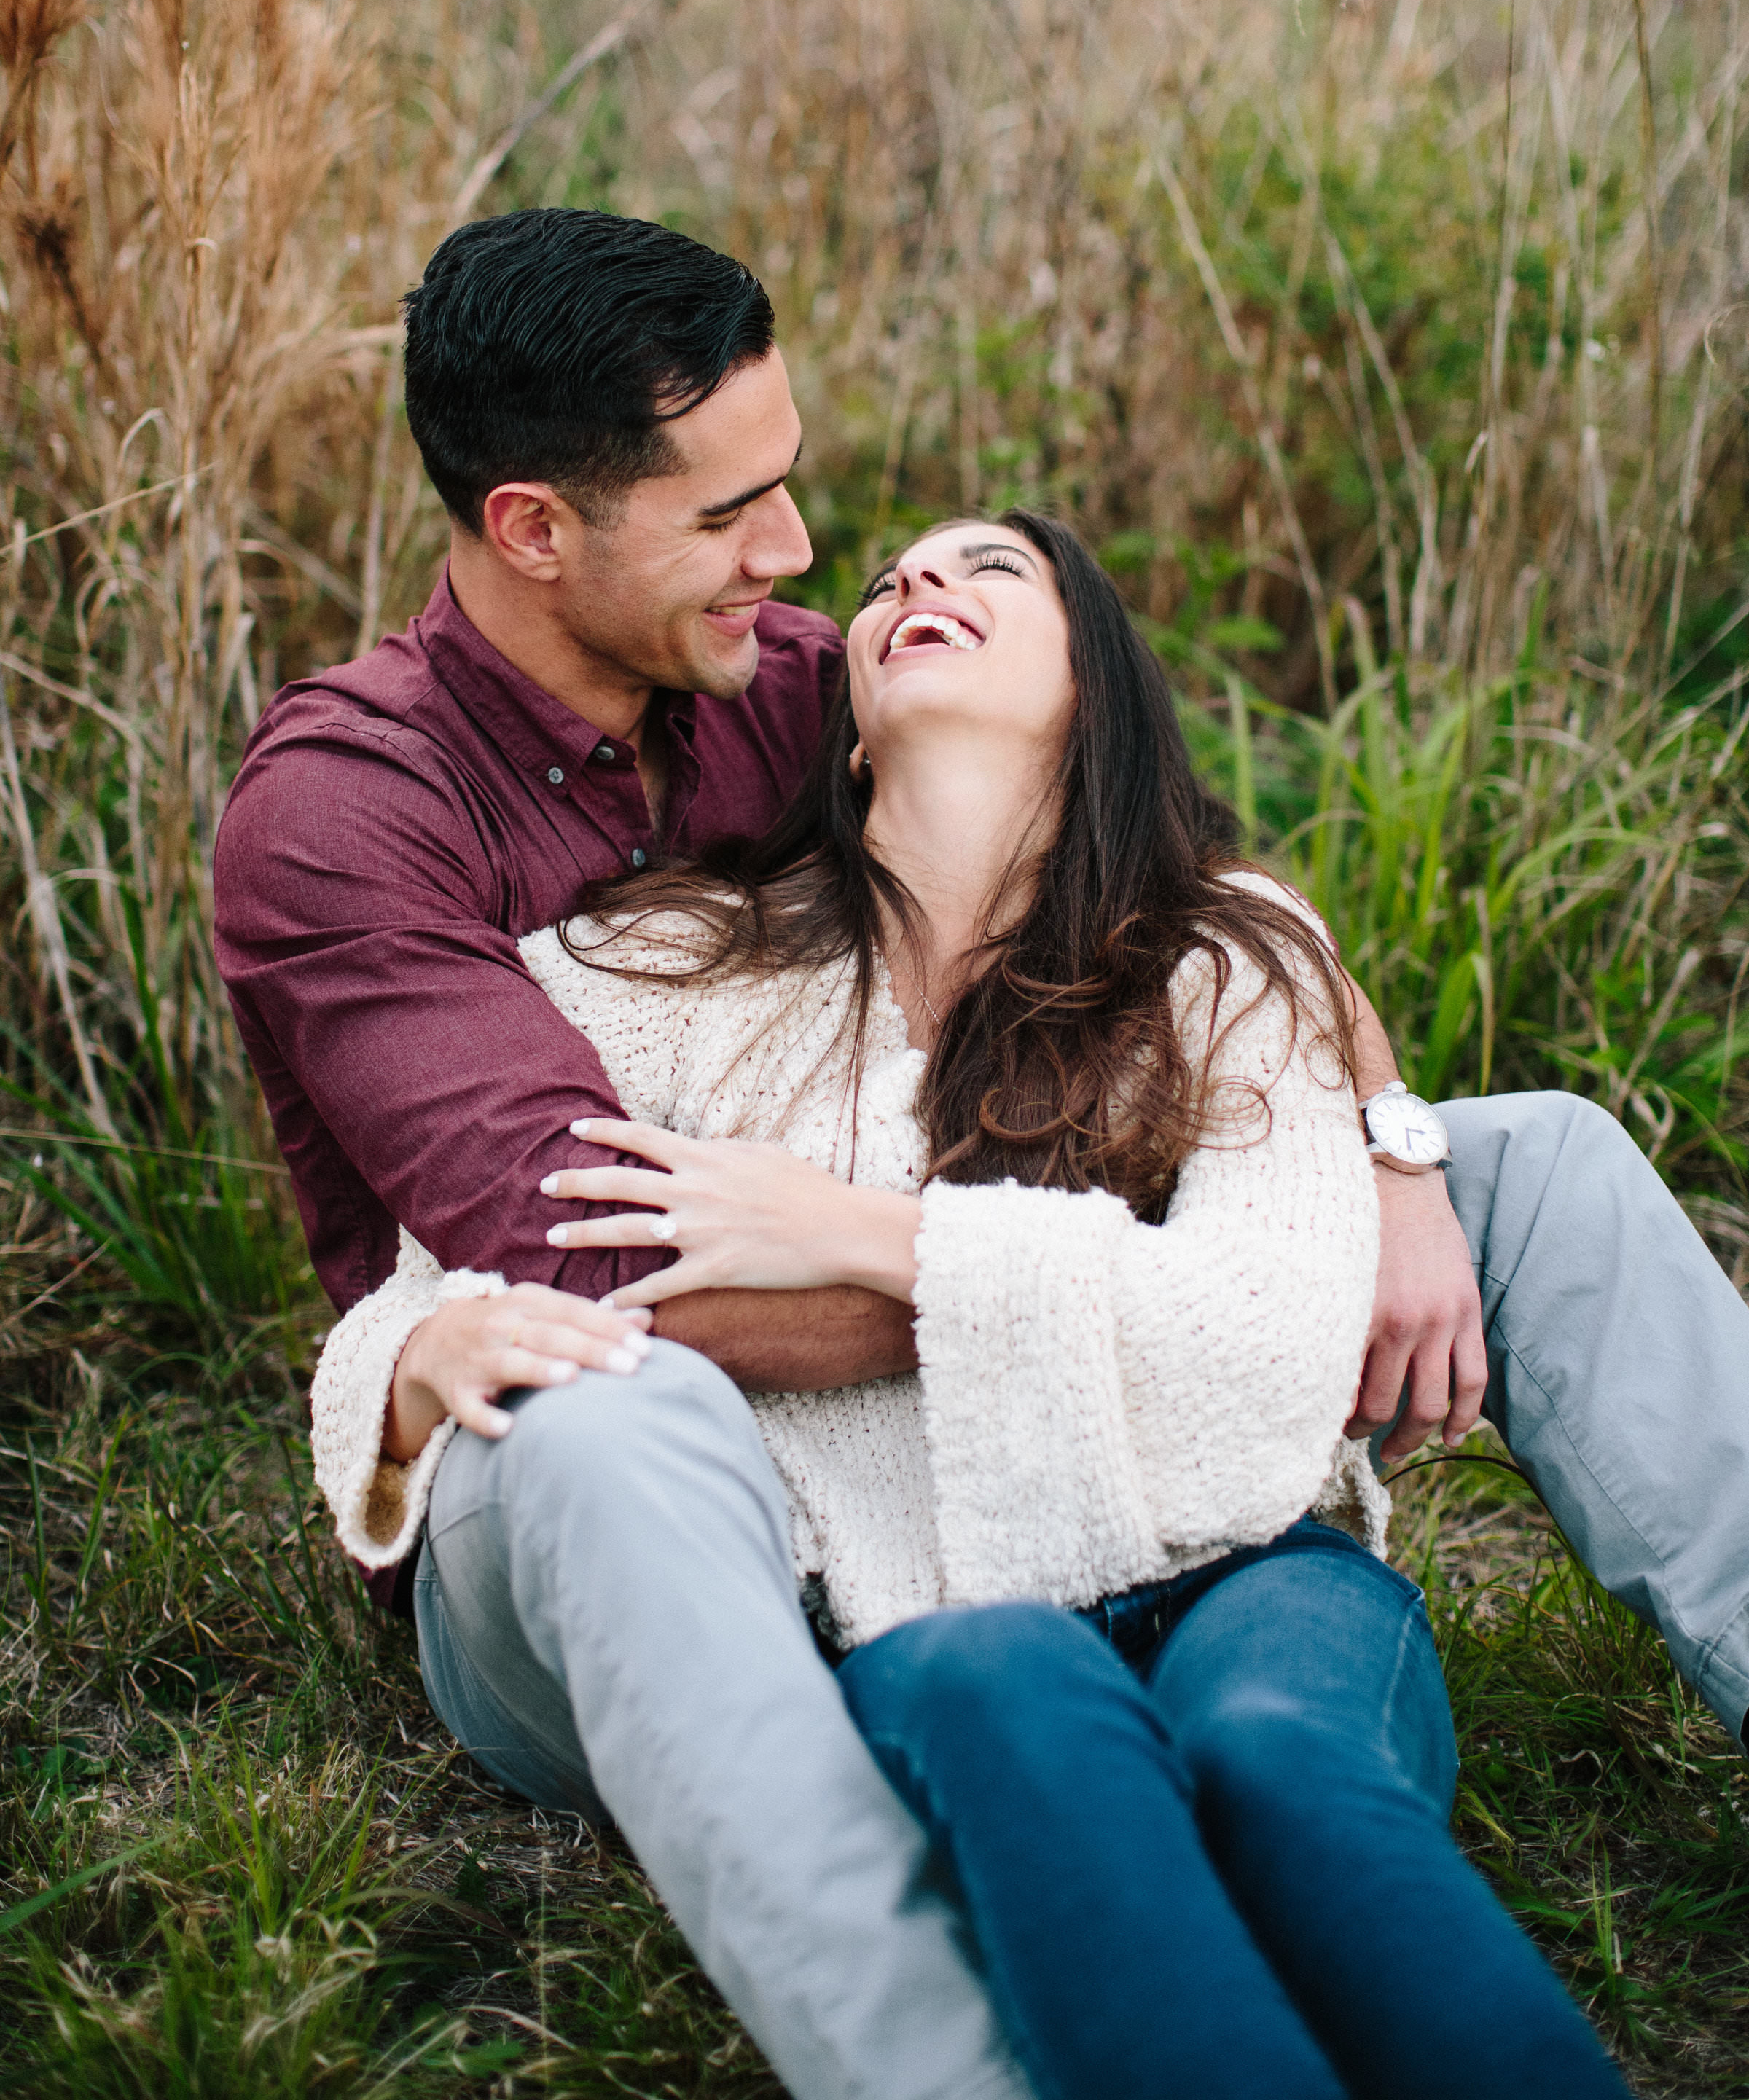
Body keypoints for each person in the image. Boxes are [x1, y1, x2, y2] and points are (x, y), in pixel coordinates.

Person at [213, 208, 1749, 2092]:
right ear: (535, 525)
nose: (795, 563)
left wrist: (1391, 1158)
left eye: (790, 497)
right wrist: (1183, 1289)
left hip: (882, 1298)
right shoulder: (350, 816)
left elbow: (1182, 874)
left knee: (1545, 1163)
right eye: (728, 518)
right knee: (619, 1404)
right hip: (597, 1478)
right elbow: (607, 1279)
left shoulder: (792, 680)